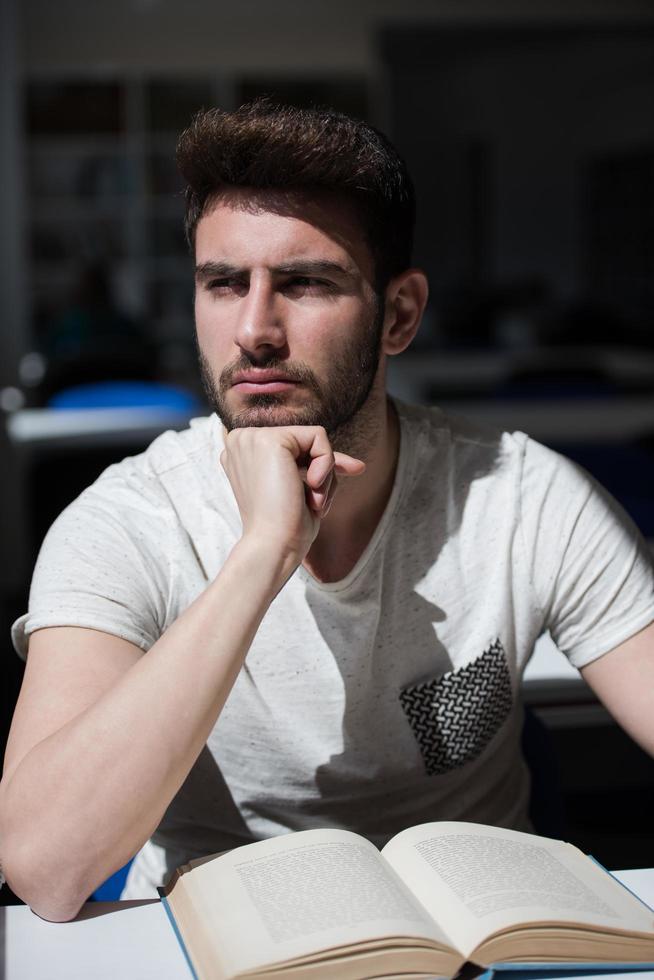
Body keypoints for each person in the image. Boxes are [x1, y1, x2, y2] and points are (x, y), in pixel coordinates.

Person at [1, 101, 653, 922]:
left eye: (305, 283)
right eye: (224, 283)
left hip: (486, 948)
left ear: (400, 315)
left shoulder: (526, 496)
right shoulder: (125, 520)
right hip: (220, 951)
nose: (254, 330)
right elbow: (45, 869)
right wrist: (264, 552)